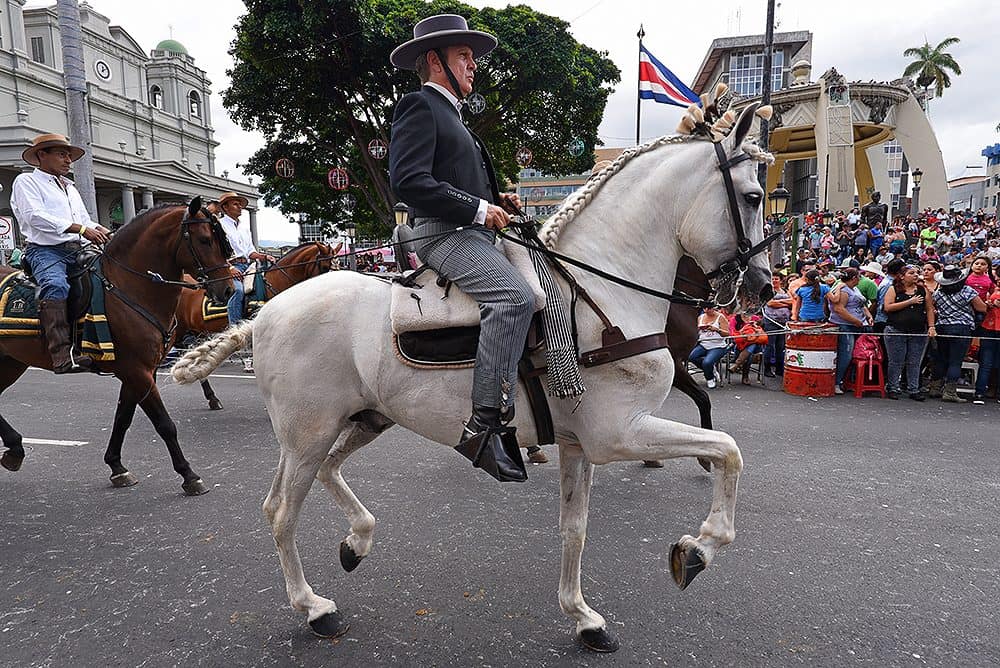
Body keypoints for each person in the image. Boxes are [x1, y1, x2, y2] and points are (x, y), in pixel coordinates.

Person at [388, 14, 530, 481]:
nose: (473, 65)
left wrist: (495, 200)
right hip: (442, 235)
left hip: (472, 231)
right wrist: (477, 209)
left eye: (472, 57)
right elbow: (409, 181)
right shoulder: (419, 106)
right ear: (435, 61)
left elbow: (459, 181)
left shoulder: (456, 117)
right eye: (464, 56)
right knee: (515, 297)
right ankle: (485, 425)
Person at [10, 133, 112, 373]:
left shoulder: (70, 187)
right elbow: (35, 216)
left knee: (106, 282)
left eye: (69, 155)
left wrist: (104, 231)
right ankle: (61, 355)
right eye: (62, 154)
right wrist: (82, 229)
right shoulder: (26, 182)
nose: (68, 160)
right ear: (41, 156)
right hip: (45, 251)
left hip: (77, 250)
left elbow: (85, 219)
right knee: (56, 285)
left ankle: (95, 342)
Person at [928, 265, 987, 403]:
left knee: (940, 358)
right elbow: (981, 308)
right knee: (955, 360)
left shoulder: (938, 293)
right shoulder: (967, 291)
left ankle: (935, 388)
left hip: (941, 327)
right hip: (961, 328)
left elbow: (933, 307)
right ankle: (950, 392)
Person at [218, 191, 274, 326]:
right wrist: (230, 268)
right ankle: (235, 330)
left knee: (267, 285)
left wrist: (264, 256)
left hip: (248, 266)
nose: (239, 207)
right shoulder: (219, 225)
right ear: (225, 207)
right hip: (229, 267)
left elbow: (250, 252)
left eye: (240, 204)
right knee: (238, 291)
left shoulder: (244, 228)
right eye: (235, 204)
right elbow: (216, 253)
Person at [883, 265, 935, 400]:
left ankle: (914, 388)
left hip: (918, 331)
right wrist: (909, 301)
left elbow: (929, 308)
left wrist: (931, 326)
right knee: (896, 361)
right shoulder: (893, 289)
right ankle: (893, 387)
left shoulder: (923, 290)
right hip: (896, 329)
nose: (916, 275)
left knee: (915, 361)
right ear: (902, 276)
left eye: (917, 273)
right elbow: (888, 307)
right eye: (911, 273)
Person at [827, 267, 872, 394]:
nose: (860, 278)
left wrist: (868, 315)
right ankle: (836, 381)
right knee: (845, 354)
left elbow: (862, 305)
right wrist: (855, 321)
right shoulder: (844, 291)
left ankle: (846, 380)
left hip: (858, 324)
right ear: (854, 278)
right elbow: (839, 309)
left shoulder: (855, 289)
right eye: (858, 276)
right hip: (844, 325)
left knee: (855, 354)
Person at [973, 267, 1000, 404]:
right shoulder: (994, 290)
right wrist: (989, 304)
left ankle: (981, 392)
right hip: (989, 327)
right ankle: (980, 392)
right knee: (986, 362)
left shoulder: (995, 291)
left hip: (990, 327)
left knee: (988, 362)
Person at [688, 306, 730, 389]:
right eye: (704, 309)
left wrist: (717, 329)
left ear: (714, 308)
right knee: (691, 357)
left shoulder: (720, 317)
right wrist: (698, 329)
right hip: (703, 343)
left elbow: (727, 334)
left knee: (707, 362)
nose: (706, 310)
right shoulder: (701, 317)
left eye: (709, 308)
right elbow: (696, 332)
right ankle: (710, 370)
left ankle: (710, 378)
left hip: (717, 345)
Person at [762, 274, 792, 377]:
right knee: (769, 345)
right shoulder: (768, 291)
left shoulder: (785, 291)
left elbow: (792, 301)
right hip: (771, 321)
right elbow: (770, 303)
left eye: (776, 278)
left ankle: (780, 369)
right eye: (773, 279)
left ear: (780, 280)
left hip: (783, 322)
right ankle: (767, 368)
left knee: (781, 346)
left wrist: (778, 302)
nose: (774, 280)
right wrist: (785, 303)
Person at [728, 315, 768, 385]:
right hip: (740, 345)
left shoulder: (756, 318)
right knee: (749, 351)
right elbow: (732, 334)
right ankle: (744, 375)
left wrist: (756, 330)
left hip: (755, 346)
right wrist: (742, 331)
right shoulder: (735, 319)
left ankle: (737, 365)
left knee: (752, 346)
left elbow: (763, 336)